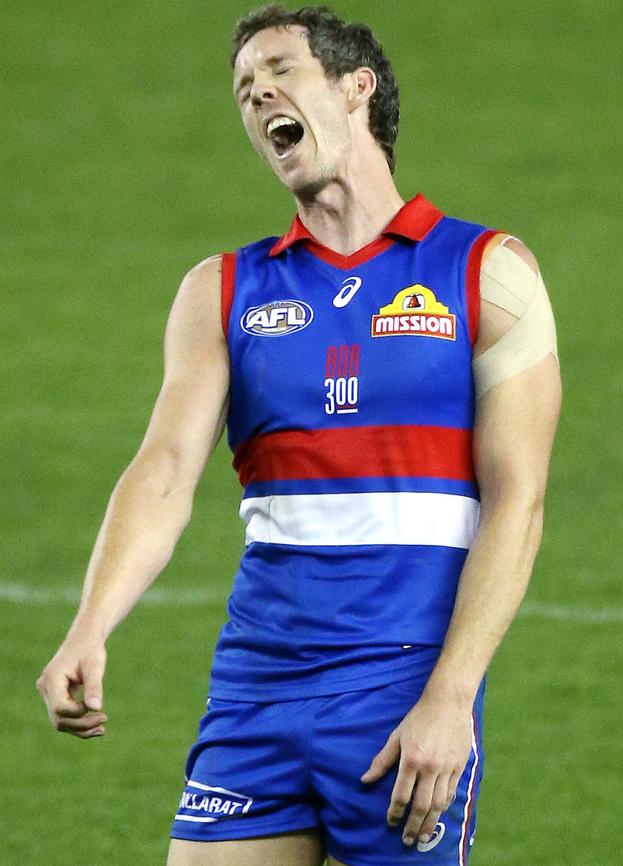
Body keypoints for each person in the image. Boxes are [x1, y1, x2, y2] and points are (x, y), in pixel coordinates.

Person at [36, 5, 562, 865]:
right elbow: (164, 471)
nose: (258, 95)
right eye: (244, 88)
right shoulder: (222, 291)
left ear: (357, 89)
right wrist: (89, 626)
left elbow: (519, 500)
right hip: (258, 683)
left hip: (403, 685)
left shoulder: (488, 275)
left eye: (280, 70)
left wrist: (452, 696)